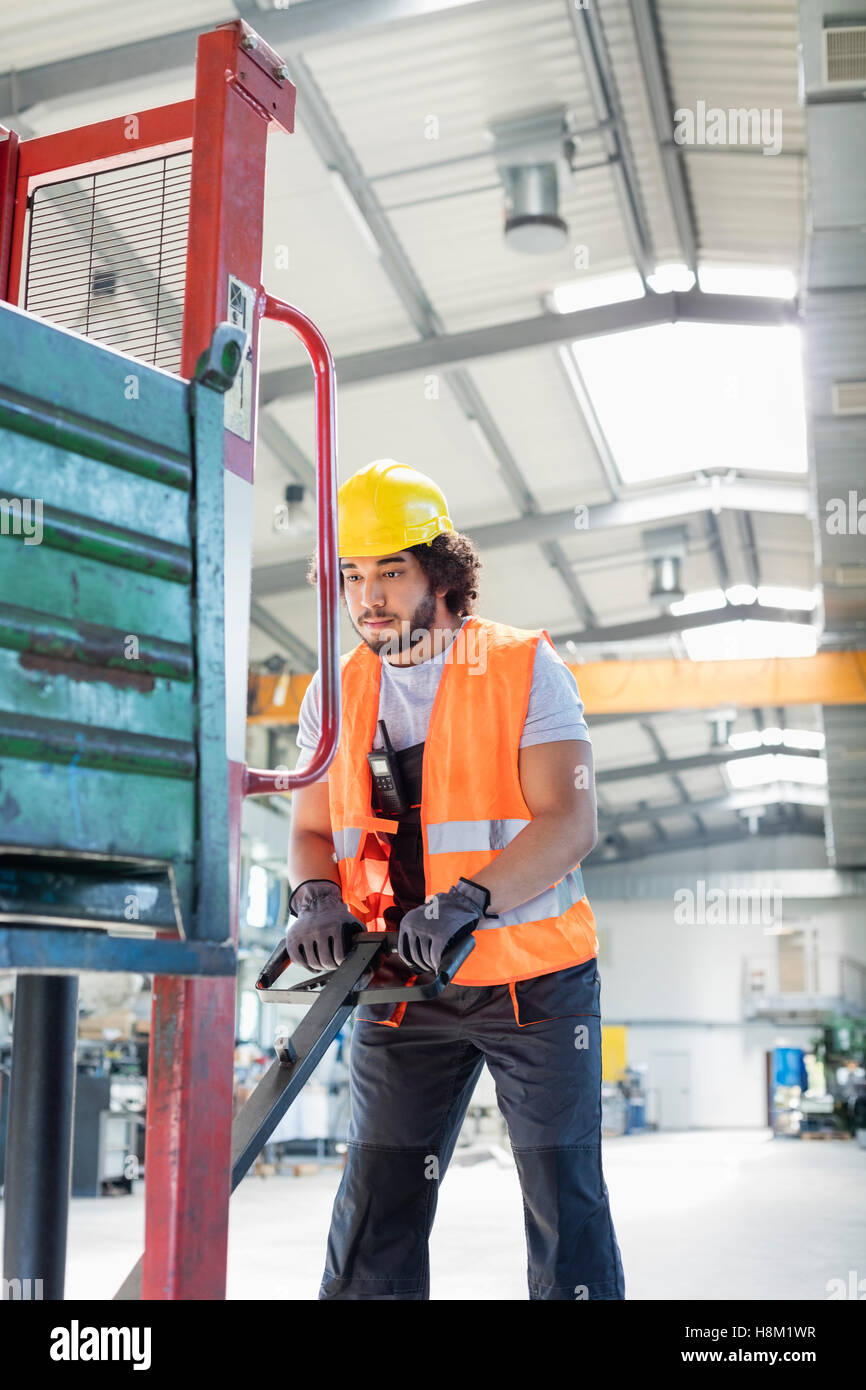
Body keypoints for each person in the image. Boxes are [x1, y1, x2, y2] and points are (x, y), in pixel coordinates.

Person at [287, 458, 625, 1301]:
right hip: (402, 984)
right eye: (353, 573)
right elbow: (312, 827)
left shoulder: (521, 667)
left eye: (390, 571)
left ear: (441, 571)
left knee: (562, 1199)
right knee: (377, 1197)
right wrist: (314, 893)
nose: (369, 595)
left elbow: (569, 822)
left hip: (532, 985)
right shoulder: (334, 690)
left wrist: (472, 898)